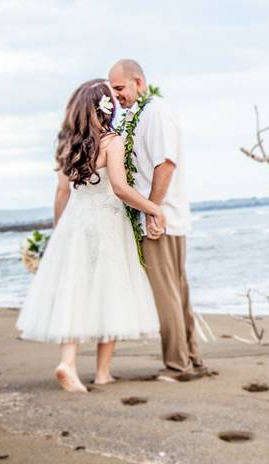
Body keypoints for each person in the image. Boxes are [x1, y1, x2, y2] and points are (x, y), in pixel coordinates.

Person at [16, 79, 162, 393]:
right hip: (107, 221)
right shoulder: (112, 140)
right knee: (110, 290)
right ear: (104, 106)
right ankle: (102, 373)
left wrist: (59, 231)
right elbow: (122, 190)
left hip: (75, 222)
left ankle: (68, 362)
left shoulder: (66, 143)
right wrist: (153, 208)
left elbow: (61, 191)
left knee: (75, 290)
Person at [108, 59, 203, 381]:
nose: (116, 95)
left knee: (167, 294)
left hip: (161, 219)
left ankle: (178, 366)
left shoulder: (156, 112)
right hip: (164, 216)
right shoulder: (141, 114)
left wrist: (152, 210)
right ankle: (190, 358)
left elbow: (165, 165)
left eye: (119, 88)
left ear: (139, 82)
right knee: (176, 292)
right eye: (112, 90)